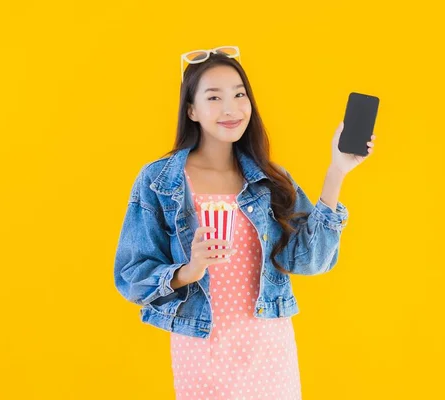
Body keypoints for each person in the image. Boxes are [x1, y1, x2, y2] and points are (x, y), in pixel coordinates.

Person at [113, 46, 375, 400]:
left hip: (269, 347)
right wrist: (189, 269)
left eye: (239, 94)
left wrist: (337, 171)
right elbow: (130, 275)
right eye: (214, 97)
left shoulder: (270, 179)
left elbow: (309, 261)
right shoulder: (161, 180)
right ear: (191, 110)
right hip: (202, 347)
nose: (231, 108)